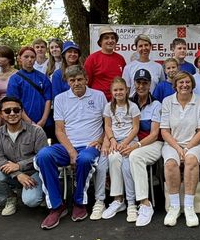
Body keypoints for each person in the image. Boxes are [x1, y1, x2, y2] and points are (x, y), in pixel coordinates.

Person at [36, 65, 107, 229]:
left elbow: (107, 125)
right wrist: (71, 151)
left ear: (86, 79)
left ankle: (79, 202)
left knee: (85, 159)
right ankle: (56, 206)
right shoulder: (60, 99)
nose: (76, 83)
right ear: (67, 82)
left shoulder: (98, 96)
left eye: (79, 79)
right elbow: (59, 130)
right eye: (72, 80)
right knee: (43, 155)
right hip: (68, 145)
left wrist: (100, 140)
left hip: (91, 145)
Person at [160, 71, 200, 228]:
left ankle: (189, 207)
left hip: (195, 145)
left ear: (192, 84)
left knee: (191, 160)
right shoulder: (167, 101)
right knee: (170, 164)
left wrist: (187, 148)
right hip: (172, 144)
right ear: (175, 85)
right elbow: (164, 131)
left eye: (187, 82)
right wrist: (177, 148)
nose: (184, 85)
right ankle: (174, 207)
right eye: (180, 82)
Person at [0, 95, 48, 215]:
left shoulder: (36, 131)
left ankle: (43, 192)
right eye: (7, 111)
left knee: (32, 201)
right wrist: (18, 174)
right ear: (1, 114)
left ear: (21, 112)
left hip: (34, 172)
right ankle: (10, 198)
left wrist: (19, 165)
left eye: (16, 110)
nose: (12, 113)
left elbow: (43, 157)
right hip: (11, 173)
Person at [98, 77, 141, 221]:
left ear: (127, 90)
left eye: (121, 89)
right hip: (115, 142)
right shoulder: (108, 107)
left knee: (127, 167)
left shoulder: (133, 106)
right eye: (115, 90)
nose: (118, 92)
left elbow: (135, 128)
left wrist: (126, 142)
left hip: (129, 141)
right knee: (113, 159)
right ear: (111, 92)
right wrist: (112, 141)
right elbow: (108, 126)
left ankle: (131, 202)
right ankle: (118, 199)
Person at [127, 70, 165, 226]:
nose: (141, 86)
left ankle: (145, 204)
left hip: (153, 143)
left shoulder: (156, 104)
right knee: (116, 155)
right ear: (134, 83)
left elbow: (155, 134)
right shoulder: (128, 102)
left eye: (145, 83)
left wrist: (136, 146)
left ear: (150, 85)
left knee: (135, 156)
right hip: (134, 141)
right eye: (138, 82)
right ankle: (124, 201)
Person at [6, 46, 52, 130]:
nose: (30, 59)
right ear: (20, 58)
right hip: (23, 122)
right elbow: (14, 102)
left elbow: (48, 99)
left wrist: (43, 120)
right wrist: (28, 121)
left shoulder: (43, 77)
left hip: (43, 122)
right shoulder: (15, 79)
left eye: (32, 57)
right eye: (26, 57)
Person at [85, 25, 126, 100]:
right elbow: (87, 82)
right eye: (106, 38)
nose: (110, 41)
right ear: (100, 42)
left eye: (112, 38)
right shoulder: (92, 59)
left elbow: (124, 81)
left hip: (118, 101)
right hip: (97, 101)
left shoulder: (120, 59)